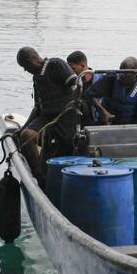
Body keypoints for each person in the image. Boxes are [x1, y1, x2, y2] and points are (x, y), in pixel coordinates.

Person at [16, 46, 80, 179]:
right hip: (46, 118)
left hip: (65, 118)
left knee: (65, 146)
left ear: (30, 60)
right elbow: (38, 107)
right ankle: (37, 174)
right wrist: (23, 128)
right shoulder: (37, 77)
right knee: (26, 136)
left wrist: (72, 105)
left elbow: (76, 84)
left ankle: (48, 173)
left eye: (24, 66)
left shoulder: (55, 64)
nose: (25, 70)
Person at [88, 56, 137, 125]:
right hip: (106, 124)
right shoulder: (110, 79)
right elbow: (89, 94)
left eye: (125, 73)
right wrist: (102, 111)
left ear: (135, 73)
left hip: (130, 126)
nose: (121, 75)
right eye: (120, 71)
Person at [67, 50, 103, 126]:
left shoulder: (100, 78)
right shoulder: (71, 82)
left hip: (98, 118)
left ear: (83, 66)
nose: (70, 72)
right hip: (81, 119)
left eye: (73, 69)